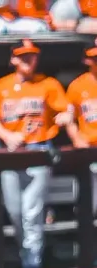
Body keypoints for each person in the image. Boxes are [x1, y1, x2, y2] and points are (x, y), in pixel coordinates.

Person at [0, 39, 68, 268]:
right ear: (13, 59)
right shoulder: (1, 86)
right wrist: (7, 137)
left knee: (32, 211)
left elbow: (64, 110)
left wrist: (63, 119)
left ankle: (32, 264)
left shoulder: (48, 84)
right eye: (23, 56)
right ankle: (26, 256)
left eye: (32, 56)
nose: (29, 60)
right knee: (15, 211)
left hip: (38, 150)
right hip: (12, 153)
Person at [65, 44, 97, 210]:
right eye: (95, 58)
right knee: (88, 205)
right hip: (89, 150)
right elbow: (69, 118)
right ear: (87, 60)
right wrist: (76, 139)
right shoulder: (77, 86)